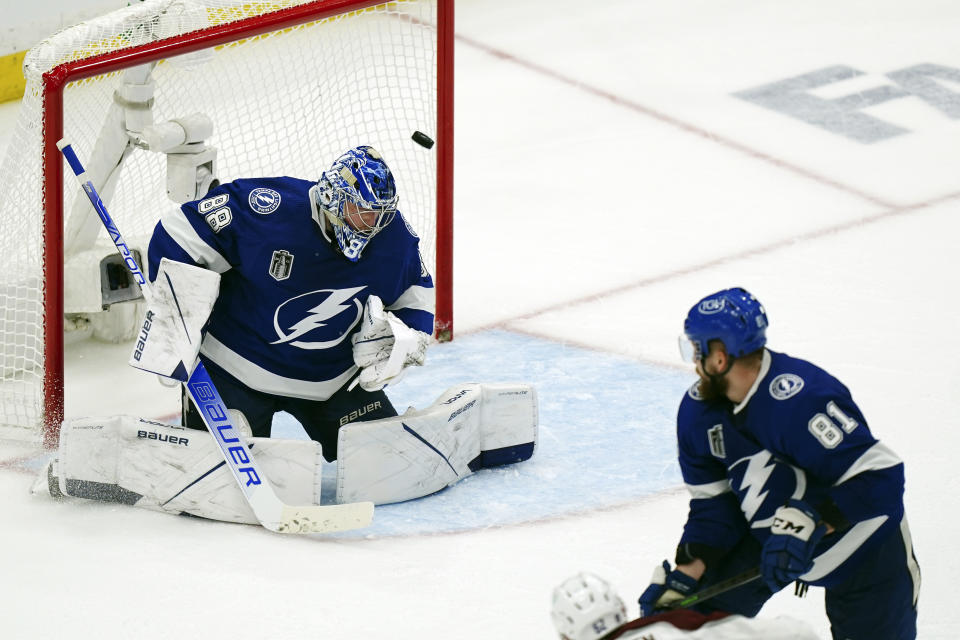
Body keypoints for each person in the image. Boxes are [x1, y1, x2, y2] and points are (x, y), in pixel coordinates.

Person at [637, 287, 920, 639]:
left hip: (865, 551)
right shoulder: (697, 413)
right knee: (688, 618)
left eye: (696, 350)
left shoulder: (802, 398)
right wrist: (685, 575)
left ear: (720, 357)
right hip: (770, 541)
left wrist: (814, 521)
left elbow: (883, 478)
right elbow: (715, 507)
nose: (694, 362)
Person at [146, 145, 434, 461]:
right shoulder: (266, 208)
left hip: (332, 380)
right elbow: (178, 233)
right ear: (334, 198)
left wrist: (405, 338)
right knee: (216, 473)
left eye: (380, 214)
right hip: (235, 369)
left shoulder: (393, 238)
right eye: (362, 211)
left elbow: (416, 292)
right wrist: (174, 319)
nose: (371, 224)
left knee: (389, 461)